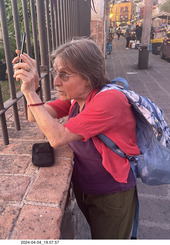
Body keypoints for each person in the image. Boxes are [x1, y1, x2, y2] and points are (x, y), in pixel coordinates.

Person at [13, 37, 139, 239]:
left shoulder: (109, 100)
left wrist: (29, 92)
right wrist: (33, 87)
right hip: (85, 187)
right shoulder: (77, 99)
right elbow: (33, 115)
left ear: (88, 78)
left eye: (64, 75)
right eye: (56, 73)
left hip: (111, 193)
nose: (56, 81)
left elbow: (56, 137)